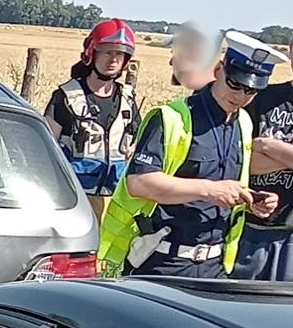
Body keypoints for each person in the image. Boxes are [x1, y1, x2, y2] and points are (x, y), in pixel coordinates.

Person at [99, 30, 282, 277]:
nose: (240, 96)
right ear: (219, 70)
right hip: (163, 261)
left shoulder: (244, 124)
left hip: (216, 265)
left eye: (251, 91)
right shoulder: (171, 118)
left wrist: (251, 200)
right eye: (235, 84)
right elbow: (139, 183)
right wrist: (210, 190)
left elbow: (225, 185)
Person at [45, 19, 142, 216]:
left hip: (116, 202)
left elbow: (136, 144)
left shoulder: (128, 99)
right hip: (74, 199)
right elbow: (45, 148)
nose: (113, 59)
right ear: (92, 52)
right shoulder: (66, 97)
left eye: (119, 53)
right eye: (108, 51)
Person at [227, 31, 293, 280]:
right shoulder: (261, 97)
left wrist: (267, 146)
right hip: (247, 228)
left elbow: (254, 150)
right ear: (290, 51)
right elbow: (239, 160)